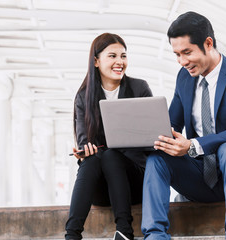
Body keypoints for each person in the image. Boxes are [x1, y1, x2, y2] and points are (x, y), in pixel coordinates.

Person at [141, 11, 226, 240]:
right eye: (177, 54)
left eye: (187, 52)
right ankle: (155, 235)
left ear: (208, 43)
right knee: (158, 158)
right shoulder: (184, 78)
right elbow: (170, 126)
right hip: (203, 177)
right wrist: (138, 136)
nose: (182, 62)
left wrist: (192, 145)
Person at [65, 32, 153, 240]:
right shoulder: (83, 96)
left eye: (123, 56)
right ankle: (72, 234)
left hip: (135, 181)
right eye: (112, 56)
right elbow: (84, 140)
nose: (119, 62)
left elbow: (151, 139)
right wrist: (85, 150)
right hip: (102, 187)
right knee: (92, 160)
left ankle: (124, 232)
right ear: (96, 61)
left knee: (111, 156)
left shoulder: (139, 88)